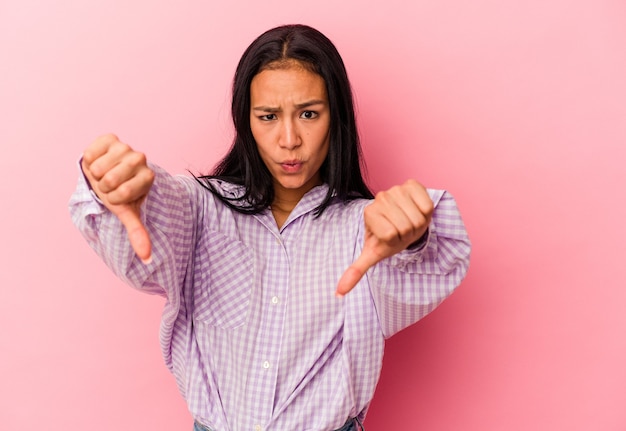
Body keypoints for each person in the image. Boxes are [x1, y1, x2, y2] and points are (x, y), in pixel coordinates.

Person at [69, 24, 471, 431]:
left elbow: (422, 270)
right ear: (246, 122)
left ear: (337, 118)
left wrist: (413, 237)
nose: (289, 139)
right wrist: (122, 189)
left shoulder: (363, 230)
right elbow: (161, 211)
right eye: (268, 117)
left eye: (309, 114)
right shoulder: (201, 208)